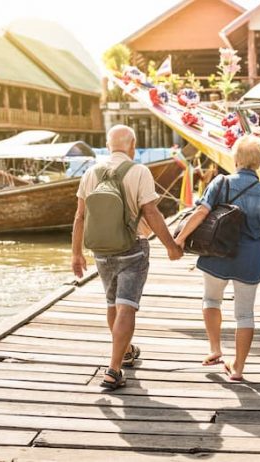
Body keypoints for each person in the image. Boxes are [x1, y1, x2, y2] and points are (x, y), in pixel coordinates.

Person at [72, 124, 183, 390]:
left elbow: (79, 216)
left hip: (101, 251)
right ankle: (113, 370)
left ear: (108, 145)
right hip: (132, 248)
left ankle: (127, 352)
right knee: (126, 306)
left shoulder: (90, 173)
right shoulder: (139, 171)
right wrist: (171, 245)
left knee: (113, 304)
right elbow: (152, 213)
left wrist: (76, 254)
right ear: (132, 145)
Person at [174, 136, 260, 381]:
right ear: (259, 163)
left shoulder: (220, 183)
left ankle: (215, 349)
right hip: (250, 259)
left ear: (236, 160)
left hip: (217, 254)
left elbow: (201, 212)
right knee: (245, 314)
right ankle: (238, 368)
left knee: (211, 299)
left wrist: (180, 239)